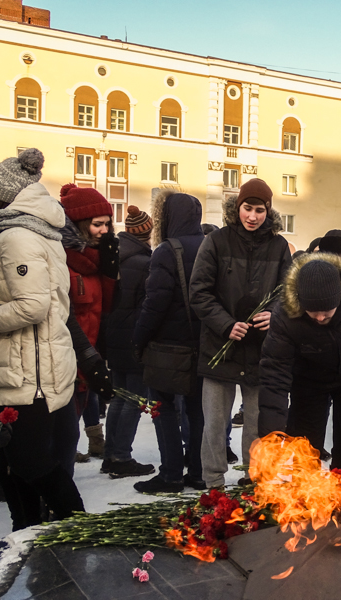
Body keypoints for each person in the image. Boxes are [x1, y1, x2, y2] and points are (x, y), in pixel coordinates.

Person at [0, 149, 85, 526]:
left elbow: (32, 306)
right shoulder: (33, 231)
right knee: (11, 461)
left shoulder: (16, 236)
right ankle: (26, 532)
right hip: (29, 362)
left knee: (27, 460)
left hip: (29, 370)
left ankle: (79, 526)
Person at [190, 179, 292, 489]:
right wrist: (225, 324)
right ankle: (213, 483)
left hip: (261, 350)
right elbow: (199, 292)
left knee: (257, 423)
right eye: (248, 208)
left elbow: (288, 292)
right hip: (220, 347)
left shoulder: (278, 246)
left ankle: (253, 480)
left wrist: (274, 313)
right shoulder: (216, 241)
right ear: (238, 208)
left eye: (260, 210)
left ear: (268, 211)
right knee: (215, 423)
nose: (253, 216)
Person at [258, 253, 341, 469]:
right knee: (304, 447)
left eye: (326, 312)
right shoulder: (285, 314)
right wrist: (271, 436)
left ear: (340, 297)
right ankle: (306, 485)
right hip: (307, 379)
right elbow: (274, 376)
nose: (319, 318)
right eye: (312, 312)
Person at [132, 192, 205, 493]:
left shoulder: (167, 250)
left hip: (169, 348)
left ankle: (171, 474)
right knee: (198, 412)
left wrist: (139, 339)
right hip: (205, 345)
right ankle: (199, 472)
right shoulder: (210, 246)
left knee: (163, 409)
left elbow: (155, 303)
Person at [59, 184, 119, 461]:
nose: (104, 230)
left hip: (89, 357)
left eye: (107, 224)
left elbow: (104, 309)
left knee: (70, 431)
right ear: (79, 224)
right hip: (67, 357)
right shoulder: (63, 258)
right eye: (97, 224)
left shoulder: (96, 260)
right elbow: (64, 313)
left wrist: (110, 272)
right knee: (63, 434)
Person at [102, 206, 155, 478]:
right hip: (134, 340)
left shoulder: (114, 256)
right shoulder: (145, 263)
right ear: (147, 233)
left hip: (113, 338)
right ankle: (121, 457)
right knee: (134, 400)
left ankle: (110, 455)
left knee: (119, 398)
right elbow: (147, 307)